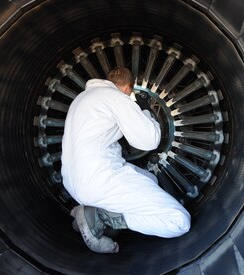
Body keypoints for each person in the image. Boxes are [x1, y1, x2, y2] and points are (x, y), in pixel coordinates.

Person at [61, 67, 191, 253]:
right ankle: (100, 216)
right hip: (100, 179)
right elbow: (149, 140)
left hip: (73, 182)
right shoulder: (115, 97)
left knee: (150, 180)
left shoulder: (82, 99)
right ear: (127, 88)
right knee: (179, 221)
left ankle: (95, 211)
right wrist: (145, 110)